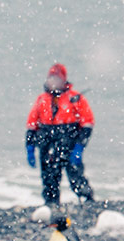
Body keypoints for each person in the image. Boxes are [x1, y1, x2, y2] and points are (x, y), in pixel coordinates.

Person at [25, 63, 95, 207]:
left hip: (69, 145)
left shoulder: (75, 98)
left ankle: (88, 201)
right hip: (47, 145)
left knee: (76, 177)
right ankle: (51, 205)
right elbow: (32, 125)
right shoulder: (42, 100)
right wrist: (30, 148)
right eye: (51, 79)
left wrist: (79, 147)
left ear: (64, 80)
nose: (53, 83)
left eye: (56, 79)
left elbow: (87, 123)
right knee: (49, 179)